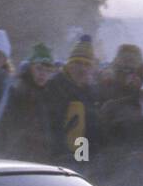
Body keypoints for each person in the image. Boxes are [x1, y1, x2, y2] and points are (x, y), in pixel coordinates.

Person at [43, 34, 101, 167]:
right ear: (69, 65)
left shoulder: (90, 93)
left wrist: (83, 158)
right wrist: (60, 154)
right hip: (57, 158)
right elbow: (51, 124)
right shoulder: (56, 86)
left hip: (79, 157)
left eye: (87, 64)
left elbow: (89, 130)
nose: (82, 68)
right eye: (77, 63)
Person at [0, 43, 55, 162]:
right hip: (18, 158)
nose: (43, 74)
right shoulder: (19, 91)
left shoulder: (45, 93)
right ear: (30, 68)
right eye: (39, 69)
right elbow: (7, 127)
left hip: (36, 158)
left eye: (48, 71)